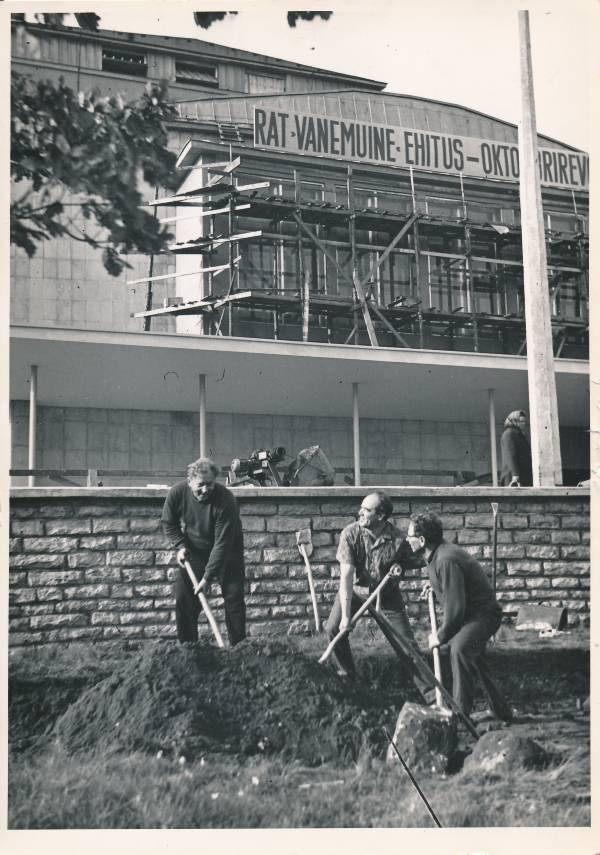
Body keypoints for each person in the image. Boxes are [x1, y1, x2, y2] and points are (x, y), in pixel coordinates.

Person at [325, 491, 436, 700]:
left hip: (387, 597)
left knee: (407, 646)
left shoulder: (398, 540)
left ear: (381, 515)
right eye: (361, 507)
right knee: (333, 628)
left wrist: (433, 580)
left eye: (366, 510)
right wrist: (347, 617)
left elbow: (428, 557)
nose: (360, 512)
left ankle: (431, 695)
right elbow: (347, 576)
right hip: (355, 592)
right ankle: (348, 680)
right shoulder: (350, 534)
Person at [407, 511, 512, 722]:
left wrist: (441, 635)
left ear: (421, 540)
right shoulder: (436, 554)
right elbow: (449, 582)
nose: (406, 540)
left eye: (409, 536)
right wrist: (435, 585)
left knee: (460, 649)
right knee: (477, 659)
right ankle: (501, 711)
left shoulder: (446, 559)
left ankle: (459, 713)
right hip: (471, 616)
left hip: (483, 616)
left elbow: (455, 610)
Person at [161, 457, 246, 645]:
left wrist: (207, 578)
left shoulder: (226, 500)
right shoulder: (177, 493)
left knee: (234, 601)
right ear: (190, 481)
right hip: (194, 552)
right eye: (200, 485)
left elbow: (222, 544)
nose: (206, 490)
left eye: (210, 484)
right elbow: (169, 523)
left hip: (228, 553)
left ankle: (240, 650)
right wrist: (180, 546)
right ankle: (189, 650)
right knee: (184, 601)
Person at [500, 409, 533, 486]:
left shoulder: (521, 435)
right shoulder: (509, 434)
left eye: (524, 421)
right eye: (521, 421)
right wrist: (515, 475)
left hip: (523, 476)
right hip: (513, 477)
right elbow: (510, 455)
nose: (524, 423)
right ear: (514, 421)